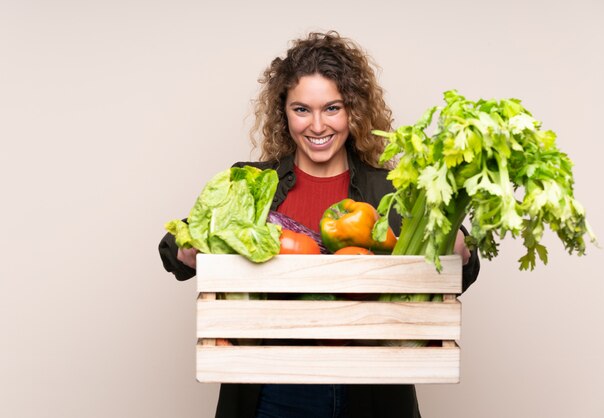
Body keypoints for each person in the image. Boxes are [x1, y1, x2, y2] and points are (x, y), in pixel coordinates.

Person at [159, 30, 480, 418]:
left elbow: (459, 270)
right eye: (301, 109)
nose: (317, 125)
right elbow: (174, 249)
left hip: (373, 386)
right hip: (272, 387)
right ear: (284, 113)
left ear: (354, 111)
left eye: (332, 108)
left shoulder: (390, 188)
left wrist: (461, 249)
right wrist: (189, 249)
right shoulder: (251, 182)